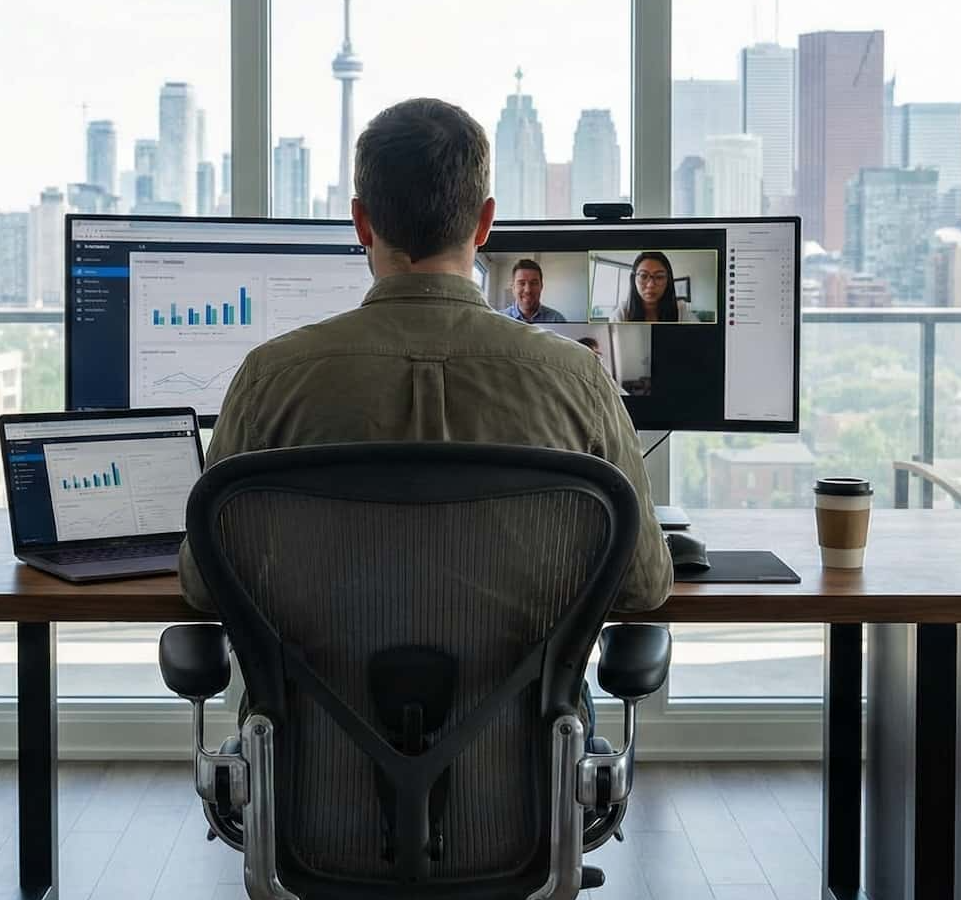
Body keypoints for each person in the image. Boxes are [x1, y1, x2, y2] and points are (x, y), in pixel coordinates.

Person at [180, 97, 671, 616]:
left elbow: (204, 584)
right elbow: (642, 585)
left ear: (361, 223)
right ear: (484, 225)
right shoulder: (578, 378)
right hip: (524, 698)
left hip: (315, 698)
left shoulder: (269, 378)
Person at [608, 250, 700, 323]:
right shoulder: (621, 314)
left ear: (668, 281)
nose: (650, 285)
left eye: (659, 277)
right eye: (643, 276)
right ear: (633, 280)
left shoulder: (681, 312)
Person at [502, 259, 569, 324]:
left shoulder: (557, 319)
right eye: (522, 283)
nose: (528, 290)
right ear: (513, 287)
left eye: (533, 283)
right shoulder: (499, 319)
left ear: (541, 286)